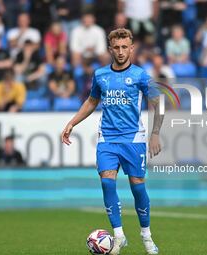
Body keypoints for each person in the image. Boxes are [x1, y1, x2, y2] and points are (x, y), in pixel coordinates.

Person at [61, 28, 162, 255]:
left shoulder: (141, 76)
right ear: (110, 49)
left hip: (134, 139)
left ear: (131, 48)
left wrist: (155, 134)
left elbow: (158, 103)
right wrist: (72, 122)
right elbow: (91, 101)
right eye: (116, 47)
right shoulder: (100, 75)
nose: (120, 51)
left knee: (138, 188)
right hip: (107, 138)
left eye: (124, 47)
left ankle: (146, 236)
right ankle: (118, 236)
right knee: (107, 182)